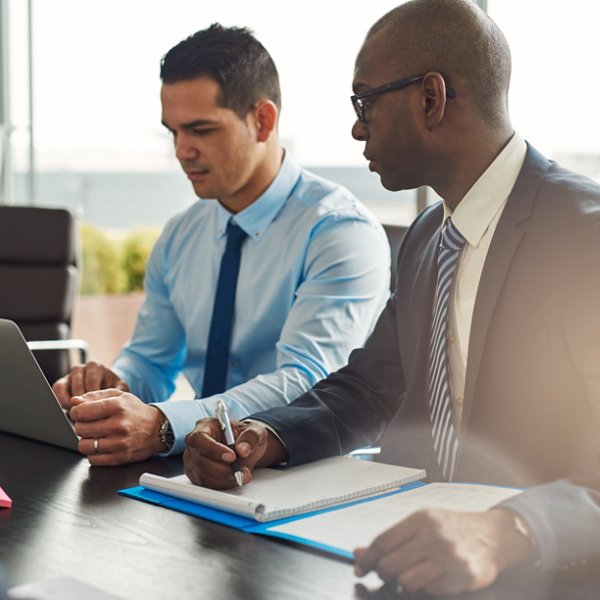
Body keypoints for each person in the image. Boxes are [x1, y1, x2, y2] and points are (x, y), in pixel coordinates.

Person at [182, 0, 600, 595]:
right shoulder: (429, 237)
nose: (357, 127)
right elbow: (368, 388)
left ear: (430, 98)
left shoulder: (584, 235)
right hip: (405, 564)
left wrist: (506, 531)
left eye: (364, 101)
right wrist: (259, 437)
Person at [52, 24, 390, 467]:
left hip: (310, 467)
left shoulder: (339, 231)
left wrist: (164, 426)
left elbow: (306, 383)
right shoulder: (179, 236)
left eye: (200, 130)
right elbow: (152, 361)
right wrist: (114, 386)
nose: (181, 151)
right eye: (173, 132)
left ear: (263, 121)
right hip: (201, 466)